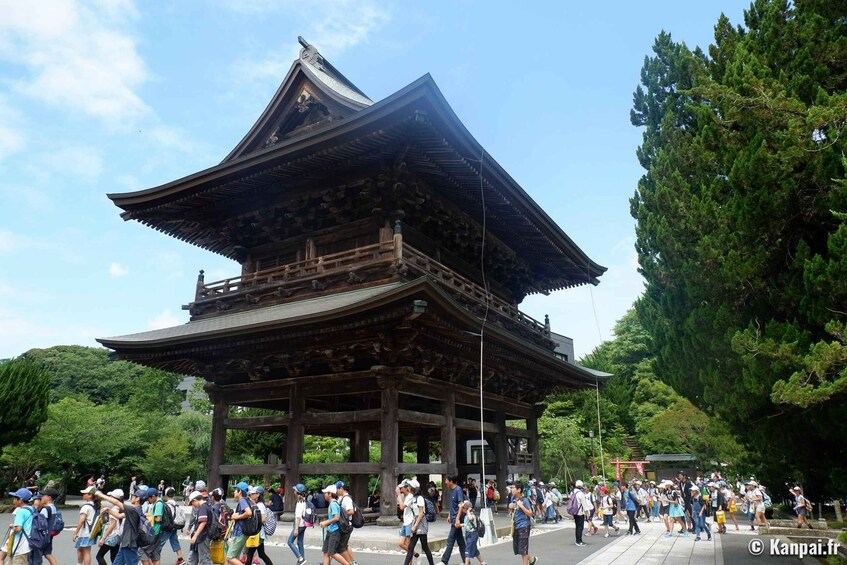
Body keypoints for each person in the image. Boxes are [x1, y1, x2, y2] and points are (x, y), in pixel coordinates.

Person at [94, 485, 147, 565]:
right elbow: (119, 516)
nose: (132, 497)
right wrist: (108, 510)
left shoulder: (133, 509)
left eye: (134, 496)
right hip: (126, 543)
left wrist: (100, 495)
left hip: (130, 543)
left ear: (138, 499)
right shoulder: (136, 510)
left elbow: (116, 502)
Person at [404, 481, 434, 565]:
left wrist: (415, 525)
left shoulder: (420, 498)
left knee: (425, 547)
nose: (408, 487)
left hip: (420, 523)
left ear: (412, 487)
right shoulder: (413, 498)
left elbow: (421, 513)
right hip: (416, 522)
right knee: (411, 547)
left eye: (409, 486)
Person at [318, 485, 349, 565]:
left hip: (334, 531)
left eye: (325, 493)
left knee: (332, 553)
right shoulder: (333, 503)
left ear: (330, 494)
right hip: (330, 530)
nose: (324, 495)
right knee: (326, 552)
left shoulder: (333, 504)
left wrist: (326, 523)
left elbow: (336, 518)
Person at [440, 475, 466, 565]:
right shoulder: (451, 490)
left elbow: (461, 505)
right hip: (454, 517)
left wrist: (458, 518)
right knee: (460, 541)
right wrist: (449, 515)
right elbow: (453, 505)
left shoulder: (458, 490)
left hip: (457, 518)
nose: (445, 482)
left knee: (450, 540)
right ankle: (466, 561)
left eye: (446, 480)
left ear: (451, 481)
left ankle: (444, 561)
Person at [225, 482, 253, 565]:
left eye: (235, 490)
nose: (234, 492)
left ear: (240, 492)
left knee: (230, 557)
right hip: (243, 531)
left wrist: (237, 517)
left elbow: (249, 513)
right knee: (235, 556)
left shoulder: (242, 501)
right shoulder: (247, 500)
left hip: (240, 532)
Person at [509, 482, 538, 565]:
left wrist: (521, 506)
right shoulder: (513, 498)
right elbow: (513, 510)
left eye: (513, 487)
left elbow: (530, 513)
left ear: (519, 490)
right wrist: (511, 508)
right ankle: (532, 560)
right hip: (516, 526)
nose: (511, 489)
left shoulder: (524, 500)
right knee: (519, 547)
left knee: (523, 550)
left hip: (524, 526)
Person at [244, 486, 273, 565]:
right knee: (261, 554)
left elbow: (263, 519)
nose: (251, 495)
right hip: (258, 533)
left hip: (257, 533)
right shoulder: (258, 504)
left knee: (250, 554)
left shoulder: (260, 505)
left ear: (258, 495)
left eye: (253, 493)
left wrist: (253, 521)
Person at [159, 487, 186, 565]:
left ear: (166, 494)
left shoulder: (166, 505)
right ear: (174, 495)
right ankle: (180, 559)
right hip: (175, 525)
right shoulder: (176, 504)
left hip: (168, 527)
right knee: (174, 541)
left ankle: (153, 559)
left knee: (159, 543)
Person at [74, 485, 100, 565]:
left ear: (90, 495)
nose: (83, 495)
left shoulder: (86, 507)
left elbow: (82, 520)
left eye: (85, 493)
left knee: (85, 551)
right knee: (83, 550)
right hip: (91, 532)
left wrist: (76, 532)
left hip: (85, 532)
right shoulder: (95, 506)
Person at [97, 489, 124, 565]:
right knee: (114, 558)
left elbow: (112, 525)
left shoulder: (115, 509)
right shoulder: (122, 508)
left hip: (112, 535)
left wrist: (103, 538)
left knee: (99, 556)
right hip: (119, 535)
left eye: (111, 496)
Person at [8, 487, 34, 565]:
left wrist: (12, 526)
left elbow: (18, 528)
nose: (14, 500)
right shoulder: (31, 509)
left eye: (15, 498)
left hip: (20, 546)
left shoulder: (20, 512)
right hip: (28, 544)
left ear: (20, 500)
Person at [335, 481, 358, 565]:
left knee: (341, 547)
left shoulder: (346, 498)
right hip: (344, 525)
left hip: (346, 526)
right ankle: (352, 562)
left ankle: (349, 563)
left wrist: (341, 515)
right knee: (344, 545)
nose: (336, 491)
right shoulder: (341, 498)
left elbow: (351, 511)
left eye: (337, 489)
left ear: (341, 488)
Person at [139, 486, 163, 565]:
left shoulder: (159, 504)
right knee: (155, 555)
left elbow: (158, 519)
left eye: (149, 498)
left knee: (142, 551)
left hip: (155, 531)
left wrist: (148, 516)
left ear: (153, 496)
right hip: (158, 532)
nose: (148, 501)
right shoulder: (159, 502)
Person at [186, 491, 211, 565]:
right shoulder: (207, 505)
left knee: (205, 560)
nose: (193, 505)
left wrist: (195, 536)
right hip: (201, 537)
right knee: (192, 558)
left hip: (203, 537)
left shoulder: (203, 508)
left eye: (192, 503)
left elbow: (203, 522)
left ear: (195, 500)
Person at [287, 484, 308, 565]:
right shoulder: (305, 501)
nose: (294, 491)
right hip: (304, 525)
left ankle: (300, 558)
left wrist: (296, 528)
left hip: (299, 525)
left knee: (290, 541)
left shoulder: (300, 502)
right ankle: (301, 561)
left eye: (295, 490)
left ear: (297, 492)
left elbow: (298, 517)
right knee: (300, 542)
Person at [40, 487, 60, 565]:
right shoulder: (53, 507)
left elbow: (40, 523)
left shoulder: (46, 509)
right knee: (47, 554)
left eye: (44, 495)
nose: (42, 497)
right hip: (48, 535)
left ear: (49, 498)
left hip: (42, 536)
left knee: (36, 555)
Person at [397, 479, 417, 556]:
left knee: (409, 545)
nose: (401, 489)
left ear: (407, 488)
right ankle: (414, 554)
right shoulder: (406, 496)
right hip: (405, 522)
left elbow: (402, 507)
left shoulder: (410, 496)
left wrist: (398, 495)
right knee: (401, 543)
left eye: (402, 488)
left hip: (410, 522)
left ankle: (410, 562)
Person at [571, 480, 590, 546]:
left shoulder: (573, 492)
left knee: (577, 526)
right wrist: (587, 513)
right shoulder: (581, 494)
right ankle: (579, 541)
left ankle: (577, 540)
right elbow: (584, 505)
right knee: (580, 527)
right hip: (580, 512)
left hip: (574, 512)